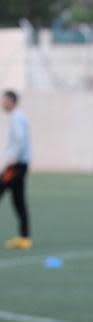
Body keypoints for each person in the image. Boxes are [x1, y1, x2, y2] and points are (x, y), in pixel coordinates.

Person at [1, 90, 32, 250]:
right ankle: (24, 238)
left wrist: (11, 159)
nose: (3, 103)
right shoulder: (18, 116)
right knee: (18, 199)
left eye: (5, 100)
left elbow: (19, 140)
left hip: (15, 165)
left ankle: (24, 237)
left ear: (12, 101)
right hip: (20, 164)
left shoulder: (16, 117)